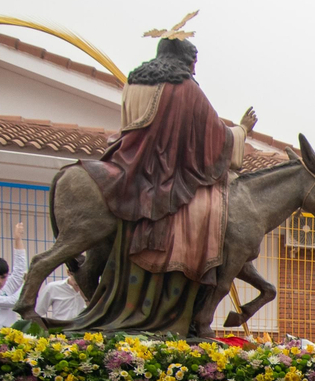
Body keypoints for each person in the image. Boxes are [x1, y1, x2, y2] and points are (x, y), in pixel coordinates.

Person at [73, 30, 256, 334]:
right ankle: (177, 310)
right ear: (184, 60)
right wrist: (242, 130)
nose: (195, 69)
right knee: (203, 215)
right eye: (193, 61)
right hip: (164, 172)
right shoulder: (184, 87)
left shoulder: (133, 82)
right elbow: (214, 135)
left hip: (124, 160)